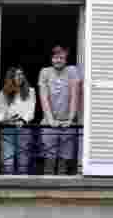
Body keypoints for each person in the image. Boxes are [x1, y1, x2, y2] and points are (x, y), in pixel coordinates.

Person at [38, 46, 81, 175]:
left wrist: (71, 118)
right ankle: (46, 193)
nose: (58, 60)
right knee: (49, 160)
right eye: (56, 57)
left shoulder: (72, 71)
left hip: (66, 123)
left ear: (66, 59)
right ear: (51, 59)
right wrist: (50, 120)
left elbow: (75, 95)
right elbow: (43, 97)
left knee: (64, 162)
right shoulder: (45, 72)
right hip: (49, 122)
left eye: (61, 57)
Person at [0, 66, 36, 174]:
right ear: (11, 77)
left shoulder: (30, 91)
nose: (20, 76)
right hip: (8, 129)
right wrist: (5, 119)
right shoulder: (4, 93)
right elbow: (1, 112)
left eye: (21, 74)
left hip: (24, 129)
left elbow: (31, 111)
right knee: (8, 160)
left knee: (23, 161)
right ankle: (7, 187)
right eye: (16, 75)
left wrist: (23, 120)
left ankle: (23, 187)